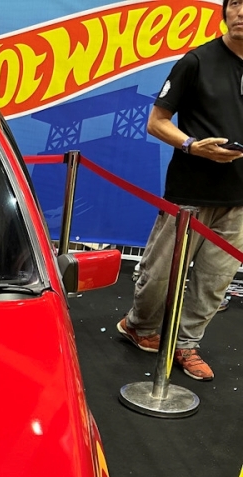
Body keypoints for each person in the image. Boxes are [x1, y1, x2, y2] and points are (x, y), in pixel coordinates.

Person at [117, 0, 243, 381]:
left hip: (239, 200)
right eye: (235, 3)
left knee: (214, 281)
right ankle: (139, 326)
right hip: (188, 193)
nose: (241, 11)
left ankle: (187, 344)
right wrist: (191, 145)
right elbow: (156, 123)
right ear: (225, 12)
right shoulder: (197, 61)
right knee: (158, 276)